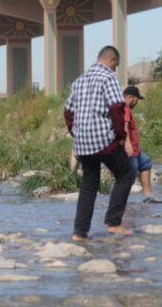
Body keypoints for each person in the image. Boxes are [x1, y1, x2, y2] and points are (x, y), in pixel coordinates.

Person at [64, 46, 135, 240]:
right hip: (103, 139)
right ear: (111, 61)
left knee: (89, 184)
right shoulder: (108, 77)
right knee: (126, 173)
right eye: (116, 65)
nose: (115, 69)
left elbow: (68, 112)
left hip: (83, 142)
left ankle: (79, 232)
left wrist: (76, 133)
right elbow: (117, 107)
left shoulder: (80, 80)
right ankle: (113, 223)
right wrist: (120, 135)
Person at [122, 85, 162, 204]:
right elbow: (124, 126)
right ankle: (120, 200)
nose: (137, 102)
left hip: (136, 149)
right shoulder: (125, 108)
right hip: (130, 149)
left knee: (145, 163)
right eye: (136, 100)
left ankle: (147, 195)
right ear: (130, 97)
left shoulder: (126, 108)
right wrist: (127, 144)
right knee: (129, 175)